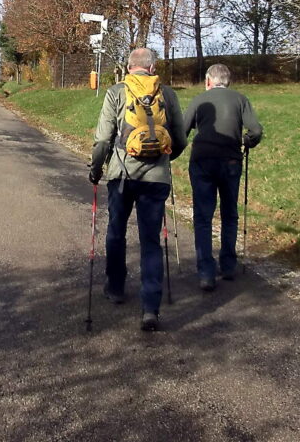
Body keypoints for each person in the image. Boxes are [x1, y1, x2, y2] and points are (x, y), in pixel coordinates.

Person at [90, 47, 187, 331]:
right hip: (156, 178)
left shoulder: (116, 92)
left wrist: (96, 170)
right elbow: (180, 138)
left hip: (122, 175)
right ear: (153, 68)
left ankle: (115, 287)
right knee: (151, 241)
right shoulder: (167, 94)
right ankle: (150, 308)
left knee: (116, 232)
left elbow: (103, 140)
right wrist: (165, 158)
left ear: (128, 67)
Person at [180, 63, 263, 291]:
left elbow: (182, 131)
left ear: (208, 81)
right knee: (229, 214)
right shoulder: (240, 99)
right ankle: (228, 265)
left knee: (203, 217)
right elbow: (256, 130)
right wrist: (246, 142)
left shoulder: (199, 100)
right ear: (228, 81)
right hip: (231, 161)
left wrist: (170, 152)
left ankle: (206, 272)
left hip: (203, 161)